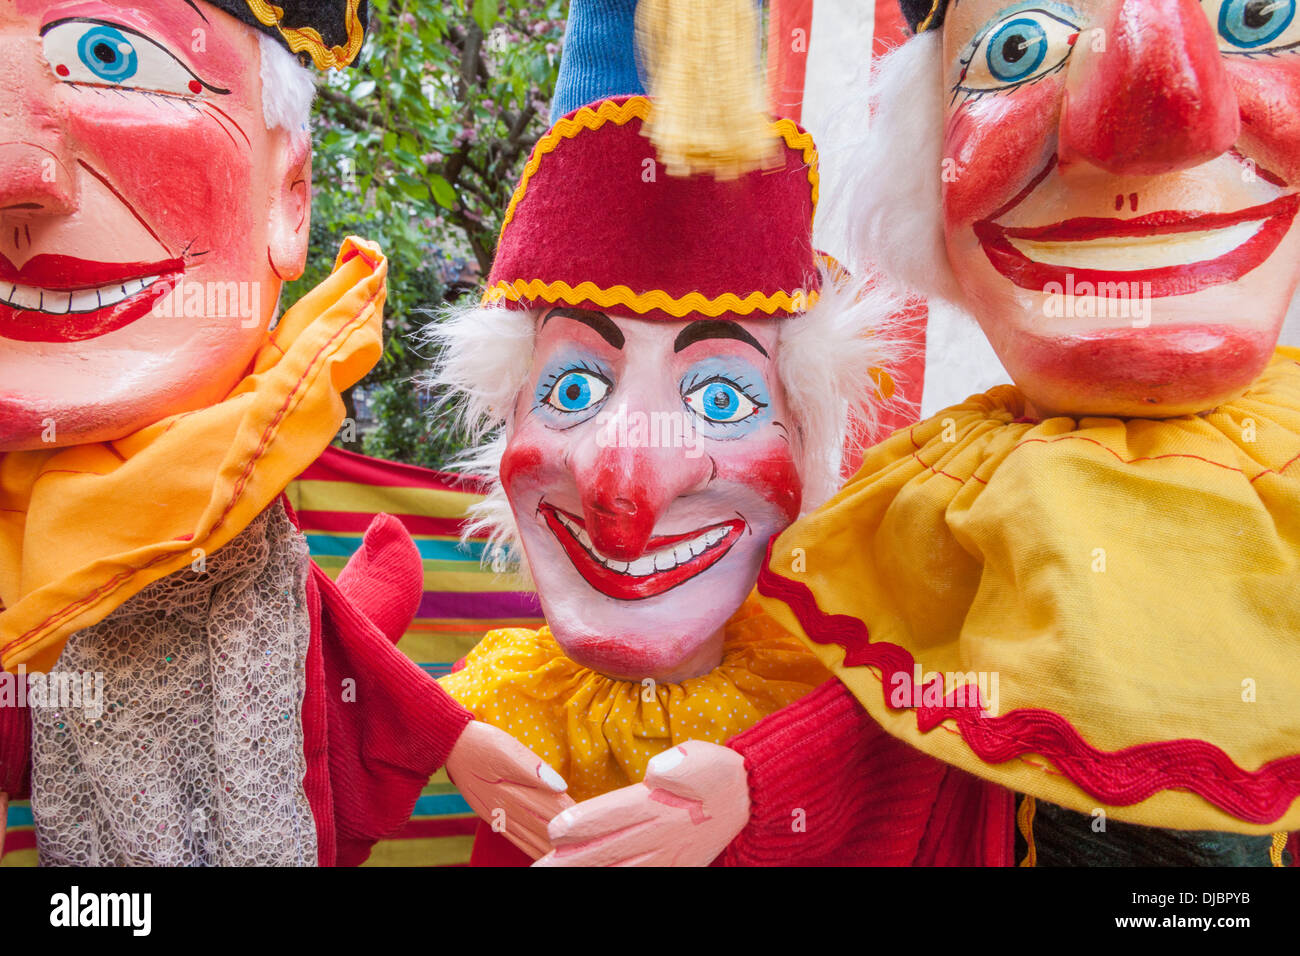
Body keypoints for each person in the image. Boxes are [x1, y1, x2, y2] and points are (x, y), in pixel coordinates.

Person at [541, 0, 1300, 866]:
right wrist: (760, 784)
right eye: (1019, 51)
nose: (1161, 116)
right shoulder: (952, 487)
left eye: (1257, 16)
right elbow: (907, 699)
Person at [0, 0, 568, 866]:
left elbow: (308, 628)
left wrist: (451, 738)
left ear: (291, 201)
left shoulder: (238, 486)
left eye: (110, 56)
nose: (19, 171)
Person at [427, 0, 899, 865]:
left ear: (802, 436)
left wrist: (764, 782)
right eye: (573, 385)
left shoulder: (826, 692)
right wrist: (441, 730)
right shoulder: (515, 699)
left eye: (721, 400)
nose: (623, 482)